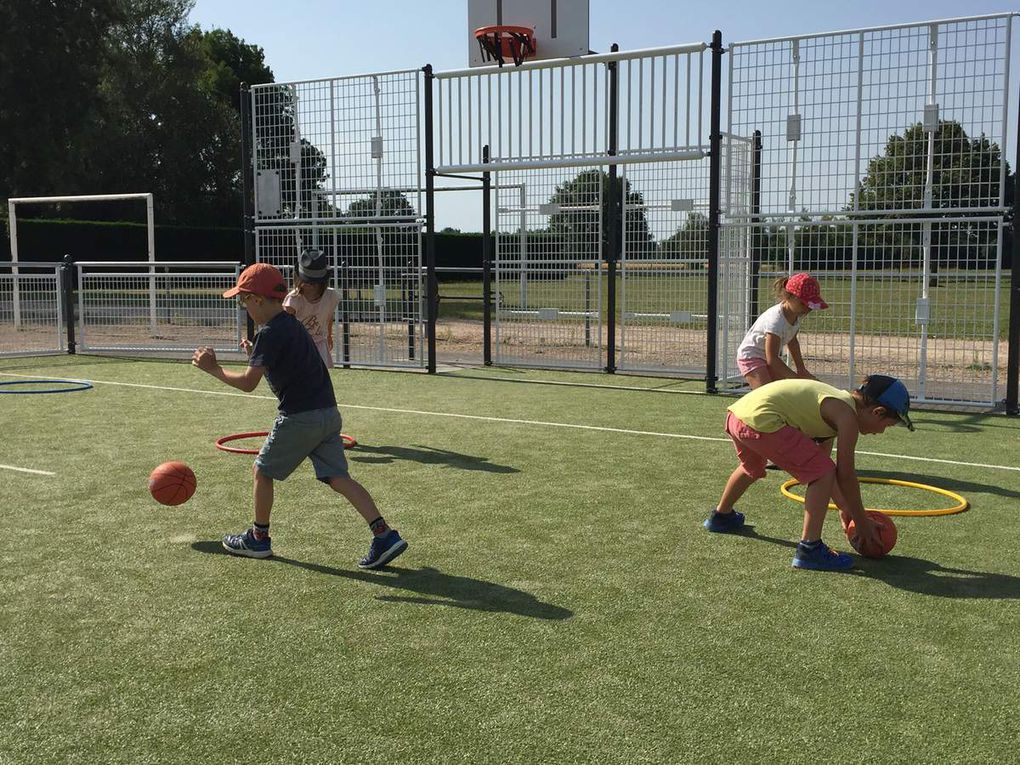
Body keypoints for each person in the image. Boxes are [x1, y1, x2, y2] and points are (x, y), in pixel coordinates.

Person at [192, 262, 407, 568]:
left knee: (262, 471)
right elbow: (286, 363)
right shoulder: (291, 325)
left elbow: (249, 383)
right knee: (338, 477)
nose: (243, 307)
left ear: (256, 299)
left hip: (300, 416)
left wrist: (213, 369)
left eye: (243, 300)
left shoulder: (270, 333)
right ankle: (384, 534)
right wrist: (256, 351)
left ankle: (258, 539)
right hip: (328, 414)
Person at [703, 374, 914, 571]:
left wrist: (844, 508)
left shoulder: (834, 407)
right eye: (887, 425)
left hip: (739, 415)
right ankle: (809, 549)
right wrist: (861, 522)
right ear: (877, 412)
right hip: (763, 421)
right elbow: (844, 475)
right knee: (822, 472)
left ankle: (721, 516)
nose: (882, 431)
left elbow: (821, 461)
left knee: (753, 468)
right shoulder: (846, 417)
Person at [736, 273, 828, 390]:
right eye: (804, 304)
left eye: (810, 305)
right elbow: (772, 359)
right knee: (766, 395)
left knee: (780, 393)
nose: (808, 309)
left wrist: (801, 370)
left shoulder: (797, 314)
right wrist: (796, 379)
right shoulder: (776, 321)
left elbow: (792, 341)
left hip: (767, 357)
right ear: (790, 297)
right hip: (751, 357)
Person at [283, 249, 340, 368]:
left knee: (319, 380)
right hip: (298, 347)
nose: (309, 284)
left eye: (313, 282)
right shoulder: (294, 299)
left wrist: (329, 335)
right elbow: (285, 325)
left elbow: (329, 316)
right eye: (307, 279)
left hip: (320, 344)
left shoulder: (331, 296)